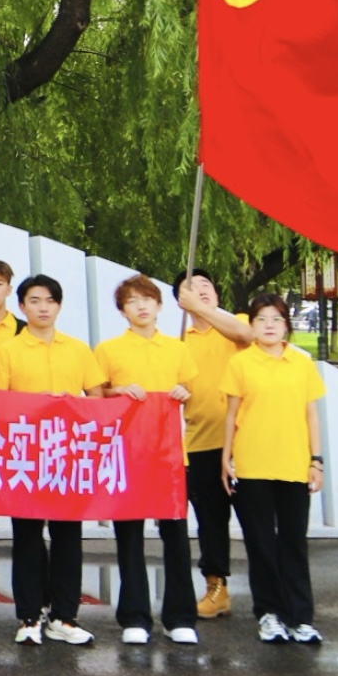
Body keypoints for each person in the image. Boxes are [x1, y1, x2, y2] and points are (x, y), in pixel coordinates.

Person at [0, 274, 105, 647]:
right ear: (21, 306)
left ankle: (64, 617)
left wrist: (70, 405)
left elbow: (97, 399)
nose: (42, 308)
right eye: (35, 301)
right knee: (26, 536)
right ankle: (28, 616)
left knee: (68, 536)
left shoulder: (78, 349)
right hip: (25, 456)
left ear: (59, 306)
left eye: (50, 301)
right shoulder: (7, 351)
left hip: (67, 454)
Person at [93, 274, 200, 645]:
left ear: (159, 305)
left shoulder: (178, 349)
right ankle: (135, 616)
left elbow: (192, 390)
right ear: (122, 311)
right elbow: (95, 397)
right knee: (129, 537)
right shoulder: (108, 350)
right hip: (127, 454)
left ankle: (180, 617)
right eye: (132, 301)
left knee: (176, 536)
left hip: (169, 455)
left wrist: (184, 391)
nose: (141, 306)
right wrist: (118, 391)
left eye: (147, 299)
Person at [221, 293, 326, 645]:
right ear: (251, 325)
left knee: (294, 542)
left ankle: (300, 618)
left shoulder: (301, 363)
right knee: (261, 544)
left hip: (294, 464)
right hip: (252, 465)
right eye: (261, 319)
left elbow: (311, 414)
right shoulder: (240, 363)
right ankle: (269, 614)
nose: (269, 325)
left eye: (276, 319)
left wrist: (316, 460)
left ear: (286, 326)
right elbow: (231, 415)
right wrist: (226, 458)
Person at [173, 269, 253, 619]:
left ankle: (273, 593)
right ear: (180, 301)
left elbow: (245, 335)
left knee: (256, 521)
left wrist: (202, 307)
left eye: (206, 285)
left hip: (245, 443)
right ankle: (216, 589)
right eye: (191, 287)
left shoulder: (236, 324)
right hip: (201, 443)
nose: (200, 289)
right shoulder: (179, 343)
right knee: (210, 522)